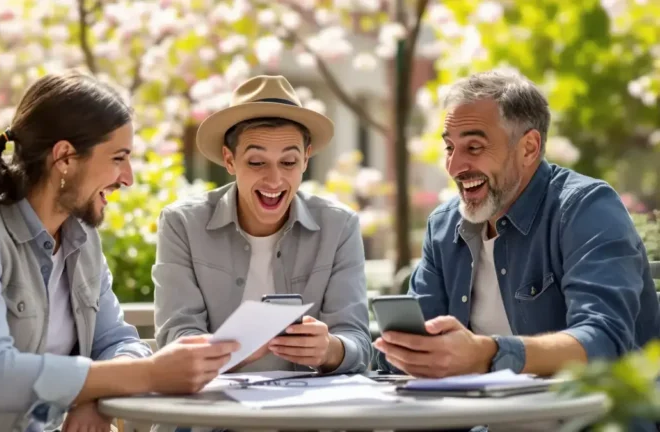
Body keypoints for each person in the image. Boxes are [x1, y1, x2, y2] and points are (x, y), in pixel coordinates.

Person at [0, 71, 239, 432]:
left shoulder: (81, 239)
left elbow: (117, 341)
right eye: (118, 158)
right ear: (65, 158)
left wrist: (93, 397)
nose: (128, 177)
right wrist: (148, 374)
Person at [374, 69, 660, 380]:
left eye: (474, 147)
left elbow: (605, 340)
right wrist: (404, 350)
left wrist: (487, 354)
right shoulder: (443, 228)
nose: (454, 166)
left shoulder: (586, 208)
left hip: (584, 419)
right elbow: (402, 351)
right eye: (449, 148)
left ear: (528, 148)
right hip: (480, 419)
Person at [153, 75, 371, 374]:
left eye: (289, 162)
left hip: (304, 416)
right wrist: (238, 348)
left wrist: (330, 349)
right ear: (229, 160)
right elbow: (176, 338)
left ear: (306, 159)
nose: (274, 179)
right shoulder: (182, 224)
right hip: (212, 413)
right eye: (257, 163)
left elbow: (358, 342)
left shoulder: (339, 226)